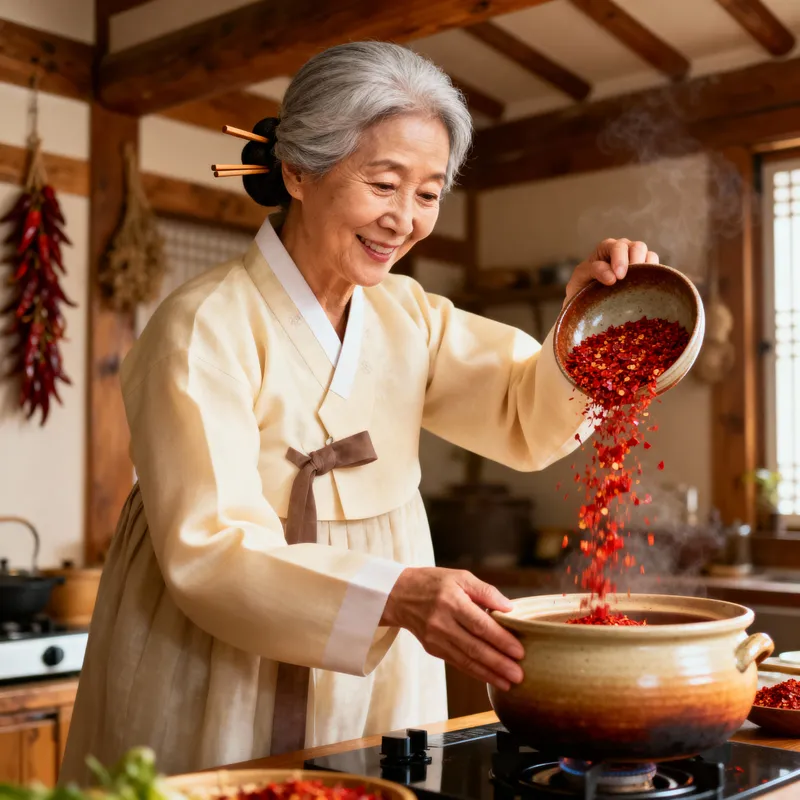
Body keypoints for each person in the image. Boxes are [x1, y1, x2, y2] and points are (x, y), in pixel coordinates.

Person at [60, 41, 660, 782]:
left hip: (380, 653)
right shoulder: (201, 326)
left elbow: (522, 407)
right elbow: (208, 549)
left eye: (429, 193)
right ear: (298, 171)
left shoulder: (410, 316)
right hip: (215, 651)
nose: (403, 219)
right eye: (383, 183)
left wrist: (587, 322)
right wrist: (397, 593)